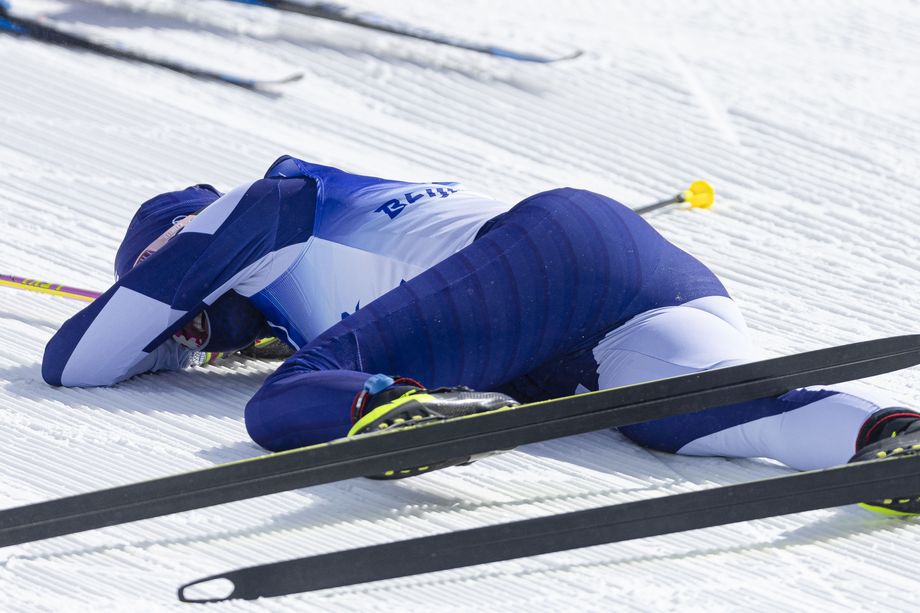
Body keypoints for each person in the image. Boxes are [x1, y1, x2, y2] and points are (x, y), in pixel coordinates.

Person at [42, 155, 920, 512]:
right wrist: (212, 331)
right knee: (675, 414)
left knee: (287, 403)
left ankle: (389, 410)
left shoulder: (250, 209)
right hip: (625, 279)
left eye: (183, 307)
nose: (198, 336)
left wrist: (157, 307)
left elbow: (75, 363)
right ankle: (885, 434)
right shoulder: (288, 284)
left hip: (544, 263)